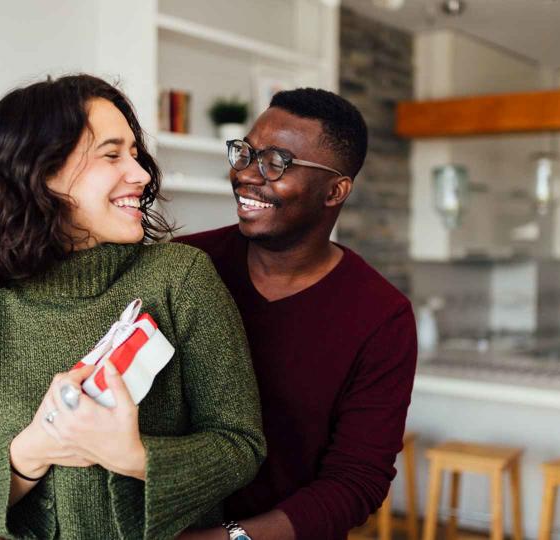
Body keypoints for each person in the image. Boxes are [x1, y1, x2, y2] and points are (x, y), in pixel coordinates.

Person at [0, 74, 266, 540]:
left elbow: (240, 444)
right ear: (40, 172)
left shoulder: (181, 279)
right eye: (111, 154)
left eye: (134, 152)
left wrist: (133, 455)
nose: (142, 174)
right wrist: (35, 449)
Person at [176, 88, 418, 540]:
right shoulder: (184, 266)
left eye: (277, 162)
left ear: (335, 190)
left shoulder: (381, 316)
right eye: (245, 152)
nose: (247, 174)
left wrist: (228, 539)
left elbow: (355, 482)